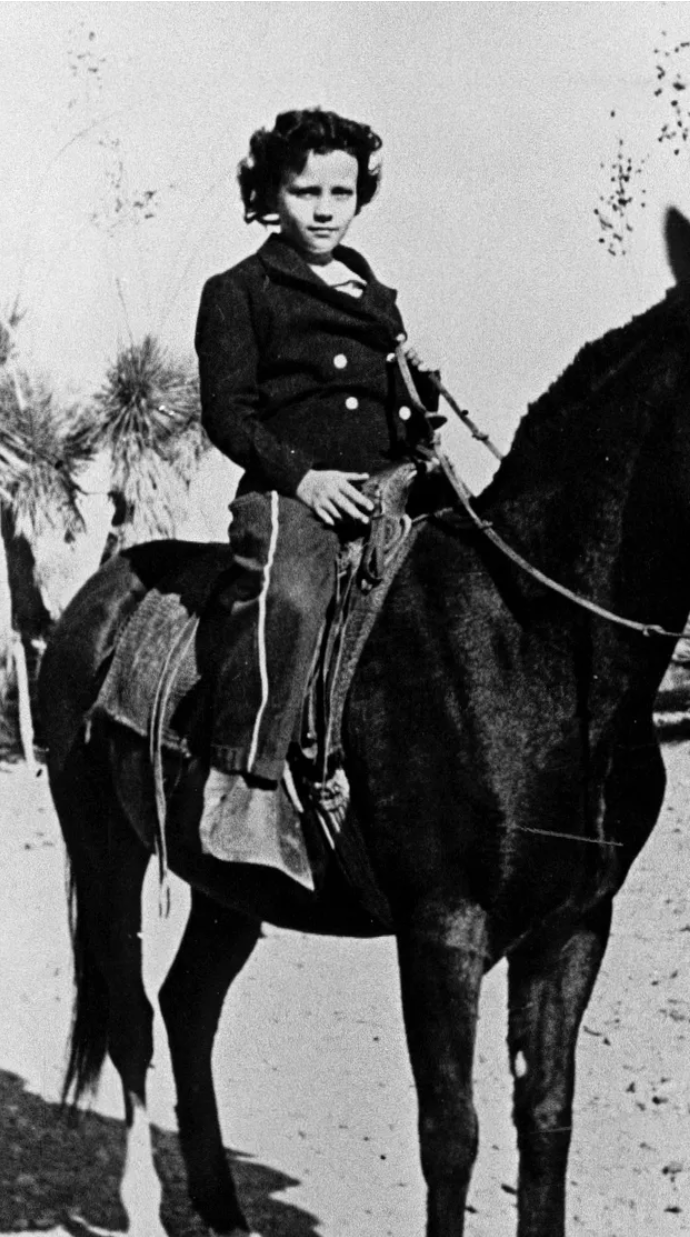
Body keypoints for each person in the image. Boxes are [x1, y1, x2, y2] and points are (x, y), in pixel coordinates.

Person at [194, 107, 437, 861]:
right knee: (290, 597)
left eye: (341, 191)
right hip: (291, 490)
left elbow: (389, 407)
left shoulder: (373, 291)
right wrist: (303, 479)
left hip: (390, 482)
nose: (325, 209)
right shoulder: (240, 289)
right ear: (270, 194)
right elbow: (227, 415)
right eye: (304, 192)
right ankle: (248, 788)